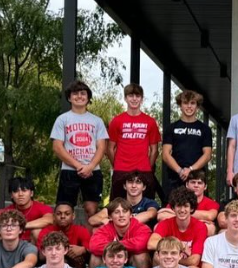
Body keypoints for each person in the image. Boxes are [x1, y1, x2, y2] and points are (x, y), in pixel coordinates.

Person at [50, 79, 108, 218]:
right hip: (69, 170)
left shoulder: (97, 121)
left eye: (83, 93)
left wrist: (90, 166)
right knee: (64, 211)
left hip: (93, 171)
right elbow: (57, 147)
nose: (79, 96)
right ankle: (62, 240)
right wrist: (78, 165)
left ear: (88, 98)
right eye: (75, 94)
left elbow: (102, 147)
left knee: (92, 210)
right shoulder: (62, 119)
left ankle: (90, 240)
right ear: (69, 97)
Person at [108, 83, 161, 200]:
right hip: (121, 169)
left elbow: (154, 150)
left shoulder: (150, 122)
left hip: (144, 170)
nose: (134, 99)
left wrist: (148, 166)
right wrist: (116, 164)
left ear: (142, 99)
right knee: (117, 206)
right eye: (131, 95)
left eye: (137, 96)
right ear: (125, 98)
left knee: (146, 206)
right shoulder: (117, 121)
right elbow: (110, 148)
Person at [161, 90, 213, 195]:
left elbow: (207, 154)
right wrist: (180, 170)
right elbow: (166, 154)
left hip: (197, 178)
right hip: (175, 177)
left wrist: (190, 169)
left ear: (197, 106)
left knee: (198, 209)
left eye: (192, 103)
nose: (189, 106)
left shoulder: (205, 129)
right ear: (180, 105)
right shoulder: (171, 128)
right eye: (185, 103)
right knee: (172, 209)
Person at [0, 176, 53, 247]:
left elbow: (50, 219)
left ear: (31, 193)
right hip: (12, 244)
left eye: (24, 190)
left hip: (31, 246)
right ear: (11, 195)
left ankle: (36, 261)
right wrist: (4, 222)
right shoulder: (7, 211)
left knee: (37, 231)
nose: (20, 194)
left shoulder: (41, 207)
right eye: (16, 191)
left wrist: (21, 225)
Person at [148, 187, 207, 268]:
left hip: (186, 267)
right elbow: (151, 244)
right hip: (169, 265)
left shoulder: (200, 227)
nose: (182, 210)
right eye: (179, 206)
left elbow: (194, 260)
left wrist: (173, 259)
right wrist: (180, 245)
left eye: (186, 206)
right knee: (156, 257)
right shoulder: (165, 223)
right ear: (173, 208)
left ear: (191, 208)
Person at [88, 198, 152, 268]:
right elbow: (94, 246)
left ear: (131, 215)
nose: (121, 215)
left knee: (141, 256)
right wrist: (121, 247)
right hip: (112, 261)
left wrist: (114, 246)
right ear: (110, 217)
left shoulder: (142, 228)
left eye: (125, 211)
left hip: (132, 261)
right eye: (117, 212)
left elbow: (139, 245)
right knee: (95, 257)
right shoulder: (104, 229)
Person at [157, 168, 219, 236]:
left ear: (205, 187)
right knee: (157, 226)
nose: (196, 185)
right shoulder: (177, 199)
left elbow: (210, 216)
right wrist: (200, 220)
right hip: (177, 234)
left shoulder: (211, 203)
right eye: (193, 182)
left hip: (198, 233)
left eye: (199, 183)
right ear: (187, 184)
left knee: (210, 228)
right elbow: (161, 216)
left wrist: (178, 213)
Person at [89, 170, 160, 228]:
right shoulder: (117, 203)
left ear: (144, 187)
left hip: (141, 238)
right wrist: (104, 220)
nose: (134, 186)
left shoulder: (149, 203)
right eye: (130, 182)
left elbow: (150, 214)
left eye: (138, 182)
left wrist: (120, 222)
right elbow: (92, 220)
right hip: (119, 237)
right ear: (124, 186)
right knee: (97, 229)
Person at [36, 201, 91, 268]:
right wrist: (65, 251)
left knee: (80, 257)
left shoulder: (81, 230)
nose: (62, 216)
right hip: (51, 265)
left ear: (73, 216)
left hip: (76, 266)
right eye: (59, 214)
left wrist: (83, 250)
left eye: (67, 214)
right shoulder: (46, 231)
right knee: (62, 260)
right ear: (54, 216)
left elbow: (90, 251)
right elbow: (41, 256)